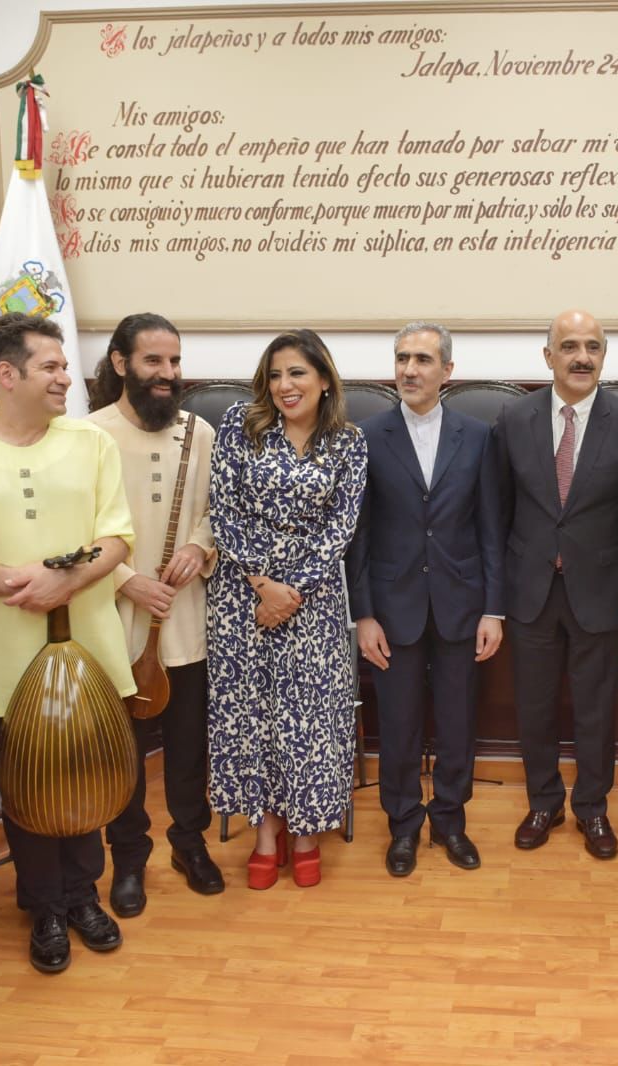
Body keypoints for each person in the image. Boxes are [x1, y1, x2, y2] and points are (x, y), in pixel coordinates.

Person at [0, 313, 134, 975]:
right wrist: (22, 584)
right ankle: (43, 905)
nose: (67, 377)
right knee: (28, 778)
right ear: (6, 374)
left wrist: (64, 580)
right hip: (6, 652)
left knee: (87, 768)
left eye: (64, 366)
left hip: (90, 643)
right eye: (51, 366)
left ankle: (83, 896)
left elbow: (117, 537)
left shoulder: (91, 442)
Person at [492, 309, 618, 859]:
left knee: (596, 709)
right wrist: (495, 599)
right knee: (534, 706)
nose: (581, 357)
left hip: (601, 591)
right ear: (549, 356)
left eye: (592, 346)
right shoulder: (513, 418)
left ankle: (592, 807)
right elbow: (497, 513)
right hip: (530, 589)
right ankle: (543, 802)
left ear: (603, 355)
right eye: (569, 346)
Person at [206, 329, 367, 890]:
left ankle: (305, 834)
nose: (284, 385)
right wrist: (262, 584)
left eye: (296, 372)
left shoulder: (348, 442)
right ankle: (265, 834)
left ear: (324, 380)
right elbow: (223, 511)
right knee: (254, 717)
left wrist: (291, 590)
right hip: (242, 598)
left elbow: (341, 526)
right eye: (275, 375)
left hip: (313, 601)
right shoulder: (239, 424)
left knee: (310, 718)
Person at [347, 322, 504, 877]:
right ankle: (403, 826)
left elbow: (491, 528)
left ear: (447, 371)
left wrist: (493, 609)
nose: (409, 369)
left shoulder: (478, 435)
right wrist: (363, 614)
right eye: (402, 358)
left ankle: (451, 822)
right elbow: (358, 536)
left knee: (458, 723)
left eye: (422, 359)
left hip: (462, 603)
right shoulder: (366, 436)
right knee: (399, 724)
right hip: (393, 607)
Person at [87, 314, 223, 914]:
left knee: (189, 746)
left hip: (187, 621)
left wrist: (198, 546)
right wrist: (127, 581)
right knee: (125, 753)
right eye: (153, 361)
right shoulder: (86, 436)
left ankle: (190, 844)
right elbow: (76, 529)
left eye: (174, 361)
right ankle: (128, 859)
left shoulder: (200, 432)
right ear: (121, 364)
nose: (167, 373)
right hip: (115, 623)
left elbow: (217, 509)